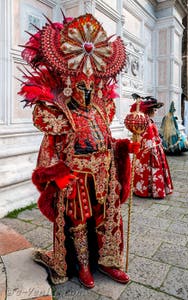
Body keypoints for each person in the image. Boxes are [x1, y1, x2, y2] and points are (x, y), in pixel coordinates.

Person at [18, 13, 134, 288]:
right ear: (71, 84)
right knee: (78, 223)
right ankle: (82, 266)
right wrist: (56, 175)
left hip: (104, 175)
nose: (88, 92)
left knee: (105, 219)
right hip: (77, 178)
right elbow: (50, 149)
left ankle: (106, 261)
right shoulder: (60, 114)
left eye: (92, 86)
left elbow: (106, 140)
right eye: (82, 86)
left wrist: (127, 146)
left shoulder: (101, 109)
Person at [131, 96, 173, 199]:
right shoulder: (146, 121)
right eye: (154, 110)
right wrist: (153, 148)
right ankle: (148, 190)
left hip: (152, 147)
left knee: (146, 169)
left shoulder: (147, 120)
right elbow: (148, 137)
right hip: (150, 149)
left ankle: (147, 189)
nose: (155, 112)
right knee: (148, 168)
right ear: (149, 110)